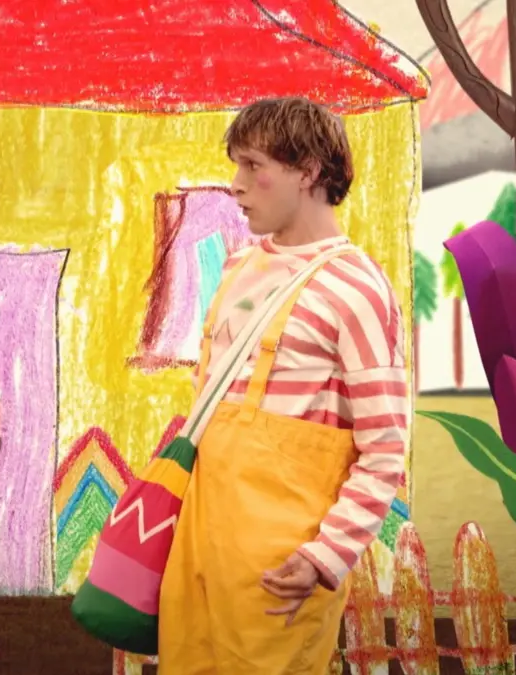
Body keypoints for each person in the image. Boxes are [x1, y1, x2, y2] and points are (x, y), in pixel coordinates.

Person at [157, 98, 408, 673]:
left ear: (309, 171)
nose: (236, 184)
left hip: (282, 567)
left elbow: (385, 449)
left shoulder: (358, 289)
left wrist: (325, 556)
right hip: (199, 543)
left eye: (254, 165)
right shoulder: (239, 267)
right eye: (236, 165)